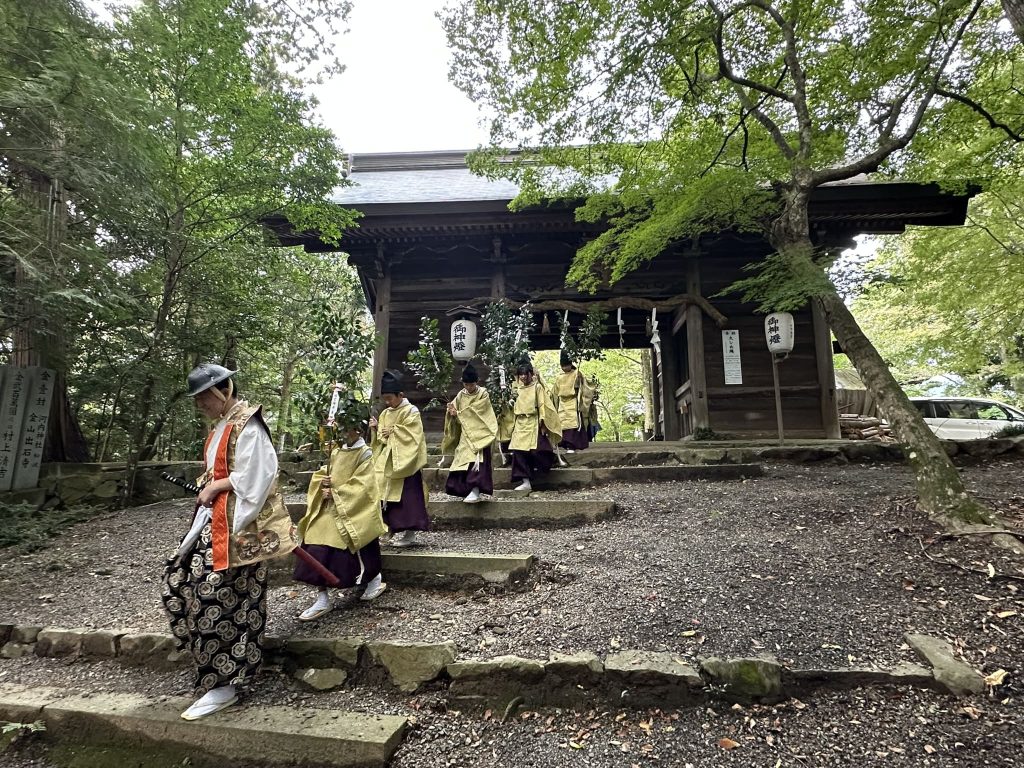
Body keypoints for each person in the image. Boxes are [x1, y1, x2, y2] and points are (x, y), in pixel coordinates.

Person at [162, 363, 296, 721]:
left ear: (224, 389)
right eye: (198, 399)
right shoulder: (222, 427)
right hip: (215, 525)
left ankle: (225, 684)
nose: (201, 404)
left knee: (220, 602)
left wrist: (218, 485)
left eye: (204, 396)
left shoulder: (248, 424)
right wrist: (210, 483)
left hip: (240, 530)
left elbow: (259, 476)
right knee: (179, 586)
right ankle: (214, 672)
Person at [294, 397, 389, 621]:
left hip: (353, 507)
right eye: (342, 428)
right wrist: (322, 485)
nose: (345, 433)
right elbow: (323, 475)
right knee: (314, 536)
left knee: (357, 536)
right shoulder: (336, 452)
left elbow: (365, 485)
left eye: (349, 429)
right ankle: (322, 596)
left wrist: (337, 494)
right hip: (330, 506)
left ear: (358, 429)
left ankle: (373, 578)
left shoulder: (365, 453)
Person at [370, 369, 429, 547]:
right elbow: (381, 438)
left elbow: (414, 435)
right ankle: (388, 530)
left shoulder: (411, 411)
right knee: (383, 494)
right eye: (385, 398)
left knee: (408, 499)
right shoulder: (386, 413)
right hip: (387, 460)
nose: (387, 402)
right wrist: (376, 428)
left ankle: (410, 534)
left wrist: (394, 431)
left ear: (400, 395)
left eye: (390, 398)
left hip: (406, 461)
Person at [441, 362, 498, 503]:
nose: (468, 388)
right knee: (462, 462)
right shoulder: (461, 395)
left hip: (480, 435)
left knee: (476, 463)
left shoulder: (483, 393)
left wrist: (459, 414)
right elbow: (454, 410)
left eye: (471, 385)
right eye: (466, 385)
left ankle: (475, 490)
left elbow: (479, 411)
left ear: (476, 382)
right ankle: (465, 490)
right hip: (465, 436)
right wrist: (451, 412)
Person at [507, 355, 562, 493]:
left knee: (538, 451)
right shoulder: (517, 389)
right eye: (521, 375)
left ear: (531, 374)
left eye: (526, 374)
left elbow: (544, 405)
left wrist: (543, 423)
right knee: (518, 452)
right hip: (520, 423)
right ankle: (525, 481)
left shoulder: (537, 388)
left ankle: (548, 464)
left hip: (534, 422)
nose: (523, 377)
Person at [551, 349, 598, 453]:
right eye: (562, 366)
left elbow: (585, 387)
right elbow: (554, 392)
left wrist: (579, 383)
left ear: (570, 364)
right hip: (562, 403)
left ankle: (572, 446)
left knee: (573, 425)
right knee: (563, 424)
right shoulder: (559, 377)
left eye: (566, 365)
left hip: (573, 402)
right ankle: (565, 444)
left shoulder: (577, 373)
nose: (564, 368)